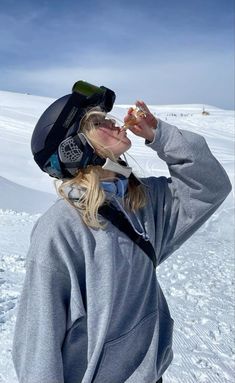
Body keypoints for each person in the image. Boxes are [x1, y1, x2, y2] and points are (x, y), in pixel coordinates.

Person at [12, 81, 231, 383]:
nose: (115, 124)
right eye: (99, 122)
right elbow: (38, 347)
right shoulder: (61, 228)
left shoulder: (141, 203)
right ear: (75, 149)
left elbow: (210, 186)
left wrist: (160, 135)